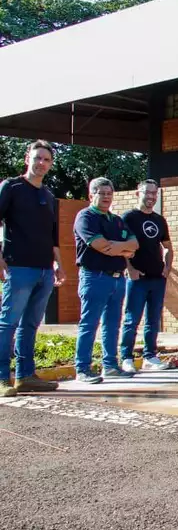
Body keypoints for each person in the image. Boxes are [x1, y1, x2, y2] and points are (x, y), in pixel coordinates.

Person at [0, 140, 66, 396]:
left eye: (46, 160)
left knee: (30, 325)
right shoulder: (11, 187)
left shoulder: (48, 195)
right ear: (27, 158)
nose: (41, 163)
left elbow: (52, 234)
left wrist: (58, 264)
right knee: (8, 324)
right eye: (37, 158)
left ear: (51, 164)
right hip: (18, 267)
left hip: (44, 270)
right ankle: (2, 378)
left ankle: (26, 376)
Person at [73, 177, 139, 384]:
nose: (106, 197)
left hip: (118, 280)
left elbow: (135, 244)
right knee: (89, 324)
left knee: (112, 324)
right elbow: (100, 245)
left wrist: (117, 247)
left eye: (109, 194)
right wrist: (123, 249)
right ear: (91, 195)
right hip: (95, 277)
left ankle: (110, 366)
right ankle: (82, 369)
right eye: (101, 193)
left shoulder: (117, 220)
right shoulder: (85, 217)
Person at [119, 179, 173, 372]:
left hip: (157, 278)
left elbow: (167, 247)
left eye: (154, 193)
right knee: (131, 319)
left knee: (153, 320)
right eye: (147, 193)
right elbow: (121, 246)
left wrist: (167, 267)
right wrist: (129, 268)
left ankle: (150, 356)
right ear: (138, 194)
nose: (151, 197)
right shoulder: (128, 218)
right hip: (137, 279)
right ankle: (126, 358)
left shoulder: (159, 220)